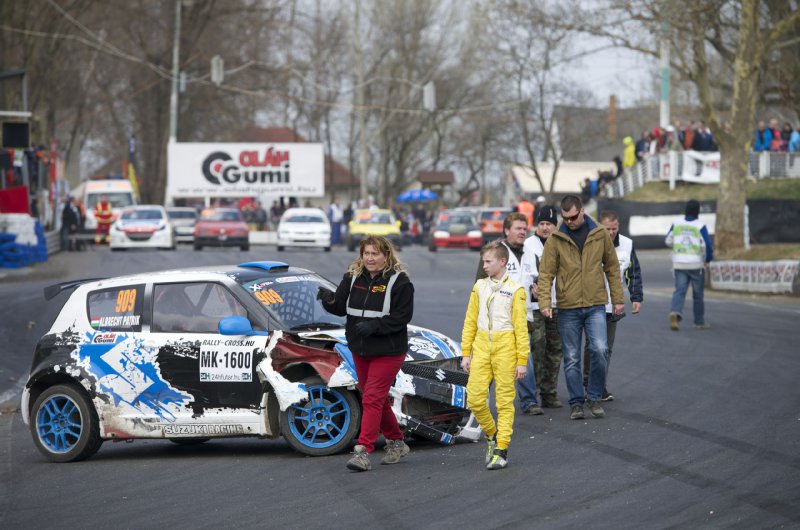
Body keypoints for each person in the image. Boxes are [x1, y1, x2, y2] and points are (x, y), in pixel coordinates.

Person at [318, 235, 414, 472]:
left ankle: (363, 452)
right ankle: (397, 442)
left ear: (386, 255)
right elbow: (340, 307)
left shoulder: (400, 282)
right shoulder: (352, 277)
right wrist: (328, 301)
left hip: (388, 351)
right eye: (366, 254)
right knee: (375, 398)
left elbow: (402, 316)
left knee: (371, 398)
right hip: (360, 349)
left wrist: (375, 326)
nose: (370, 258)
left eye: (375, 254)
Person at [537, 195, 624, 421]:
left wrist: (618, 299)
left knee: (600, 349)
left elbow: (612, 268)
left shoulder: (600, 234)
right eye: (565, 218)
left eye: (573, 217)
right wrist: (545, 302)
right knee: (572, 357)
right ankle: (576, 403)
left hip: (595, 304)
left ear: (582, 211)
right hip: (568, 307)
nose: (570, 221)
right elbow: (545, 274)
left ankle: (594, 397)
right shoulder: (556, 238)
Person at [461, 241, 529, 470]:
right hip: (481, 346)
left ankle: (501, 449)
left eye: (488, 261)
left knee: (504, 402)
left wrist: (521, 361)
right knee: (474, 399)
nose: (484, 265)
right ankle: (492, 434)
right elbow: (470, 320)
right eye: (483, 261)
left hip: (506, 347)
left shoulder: (516, 290)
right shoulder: (479, 286)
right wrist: (466, 353)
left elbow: (521, 328)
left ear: (502, 262)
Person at [582, 211, 643, 401]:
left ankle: (599, 386)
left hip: (612, 305)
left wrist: (636, 297)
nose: (611, 232)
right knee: (593, 346)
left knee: (606, 348)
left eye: (614, 229)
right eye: (607, 228)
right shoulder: (589, 241)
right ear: (600, 226)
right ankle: (587, 383)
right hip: (590, 303)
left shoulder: (627, 244)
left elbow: (633, 272)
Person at [520, 205, 563, 411]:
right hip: (535, 306)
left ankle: (549, 393)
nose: (545, 228)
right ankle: (532, 395)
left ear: (556, 226)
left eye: (549, 224)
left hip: (558, 304)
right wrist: (531, 289)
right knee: (537, 348)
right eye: (542, 223)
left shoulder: (562, 243)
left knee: (555, 350)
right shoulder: (528, 245)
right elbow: (524, 274)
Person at [666, 199, 713, 331]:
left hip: (679, 263)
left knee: (680, 291)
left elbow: (668, 240)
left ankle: (675, 312)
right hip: (696, 264)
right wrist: (707, 259)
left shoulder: (676, 223)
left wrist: (677, 246)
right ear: (698, 212)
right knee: (698, 295)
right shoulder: (700, 225)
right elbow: (707, 244)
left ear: (685, 210)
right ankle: (699, 322)